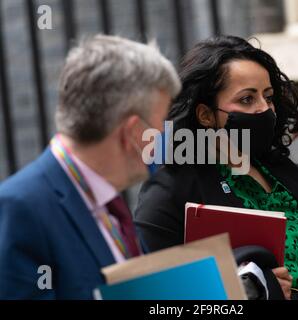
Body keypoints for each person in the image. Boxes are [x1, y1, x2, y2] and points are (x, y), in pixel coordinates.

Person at [134, 35, 298, 300]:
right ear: (206, 115)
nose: (264, 109)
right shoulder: (171, 189)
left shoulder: (288, 174)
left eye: (268, 97)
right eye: (247, 100)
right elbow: (158, 292)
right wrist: (253, 287)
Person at [0, 35, 181, 299]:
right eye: (162, 124)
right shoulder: (19, 209)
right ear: (132, 133)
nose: (167, 137)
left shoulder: (108, 201)